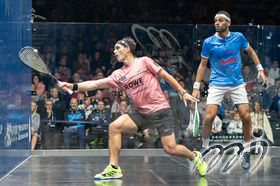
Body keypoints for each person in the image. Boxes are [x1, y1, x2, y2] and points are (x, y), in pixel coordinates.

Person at [59, 36, 207, 180]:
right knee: (114, 127)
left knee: (170, 149)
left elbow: (166, 76)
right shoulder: (118, 74)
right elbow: (96, 84)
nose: (114, 52)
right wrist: (73, 86)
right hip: (140, 114)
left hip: (161, 111)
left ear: (127, 48)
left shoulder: (144, 62)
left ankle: (195, 156)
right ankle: (113, 168)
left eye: (117, 48)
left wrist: (182, 93)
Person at [192, 11, 267, 170]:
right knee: (209, 117)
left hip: (236, 83)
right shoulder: (208, 42)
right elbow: (202, 65)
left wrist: (260, 69)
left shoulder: (238, 37)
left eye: (220, 20)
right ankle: (205, 147)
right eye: (215, 21)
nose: (217, 23)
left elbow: (251, 51)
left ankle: (246, 149)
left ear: (228, 23)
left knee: (246, 116)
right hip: (217, 83)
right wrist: (196, 87)